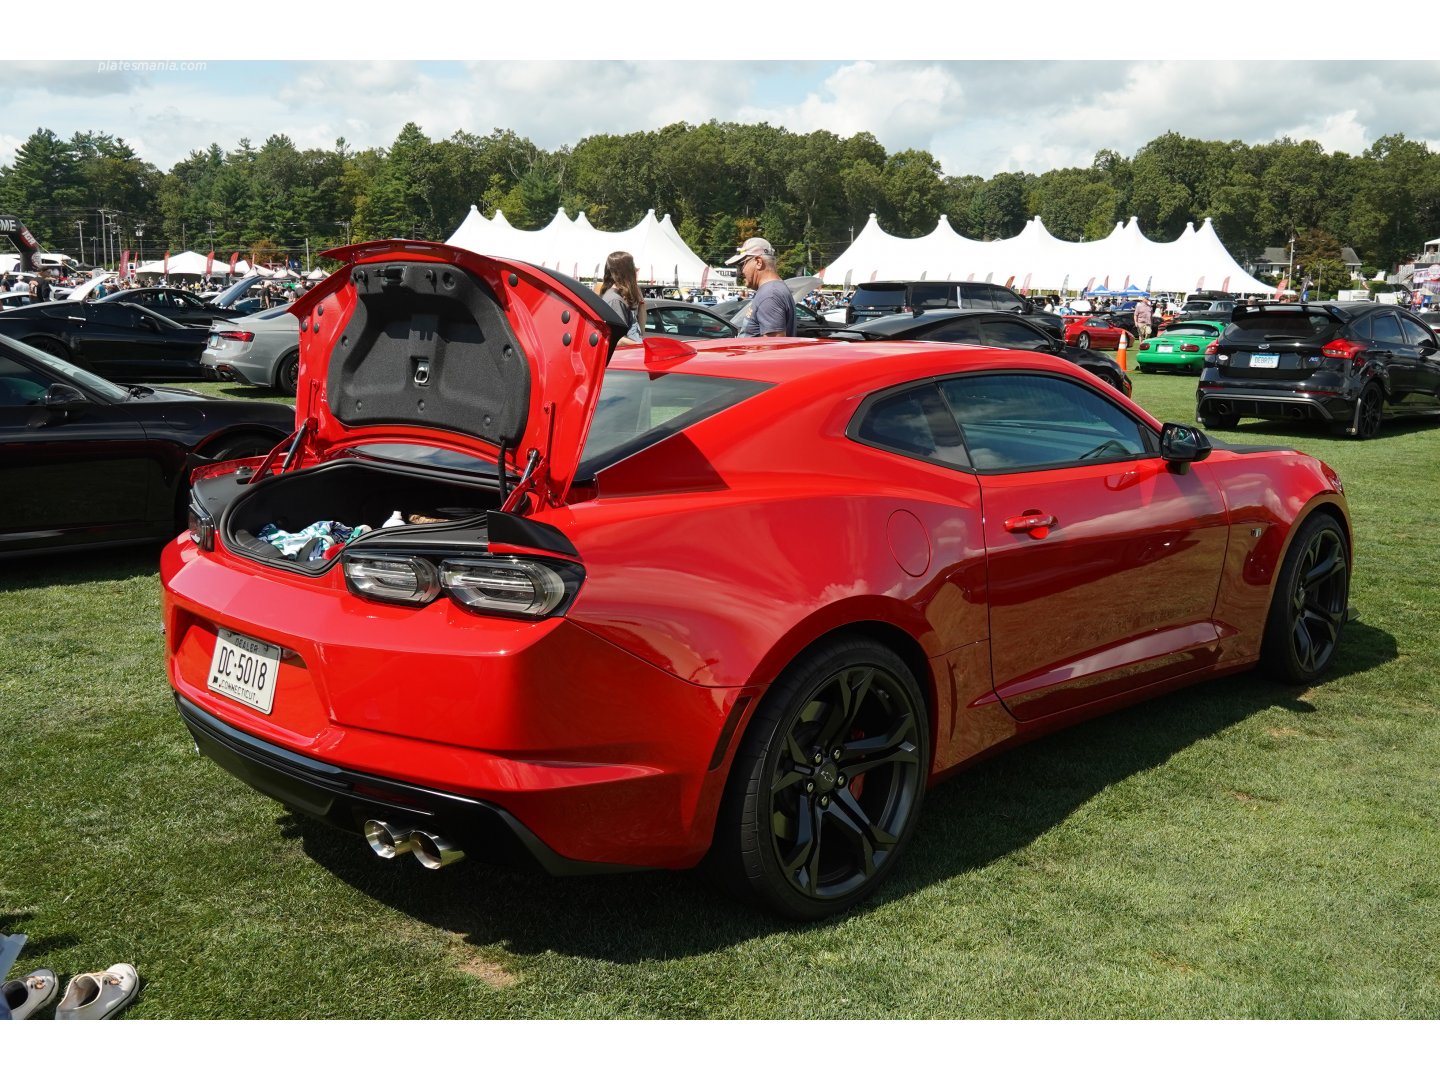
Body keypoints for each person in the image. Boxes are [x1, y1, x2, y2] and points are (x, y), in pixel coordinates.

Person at [726, 237, 794, 337]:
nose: (740, 272)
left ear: (758, 262)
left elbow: (773, 347)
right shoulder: (771, 290)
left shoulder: (770, 295)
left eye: (741, 265)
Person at [597, 251, 644, 344]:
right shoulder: (615, 300)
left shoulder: (620, 296)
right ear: (626, 271)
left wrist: (642, 304)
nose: (636, 269)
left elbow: (640, 332)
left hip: (632, 354)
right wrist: (641, 347)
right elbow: (618, 340)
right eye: (632, 266)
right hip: (627, 355)